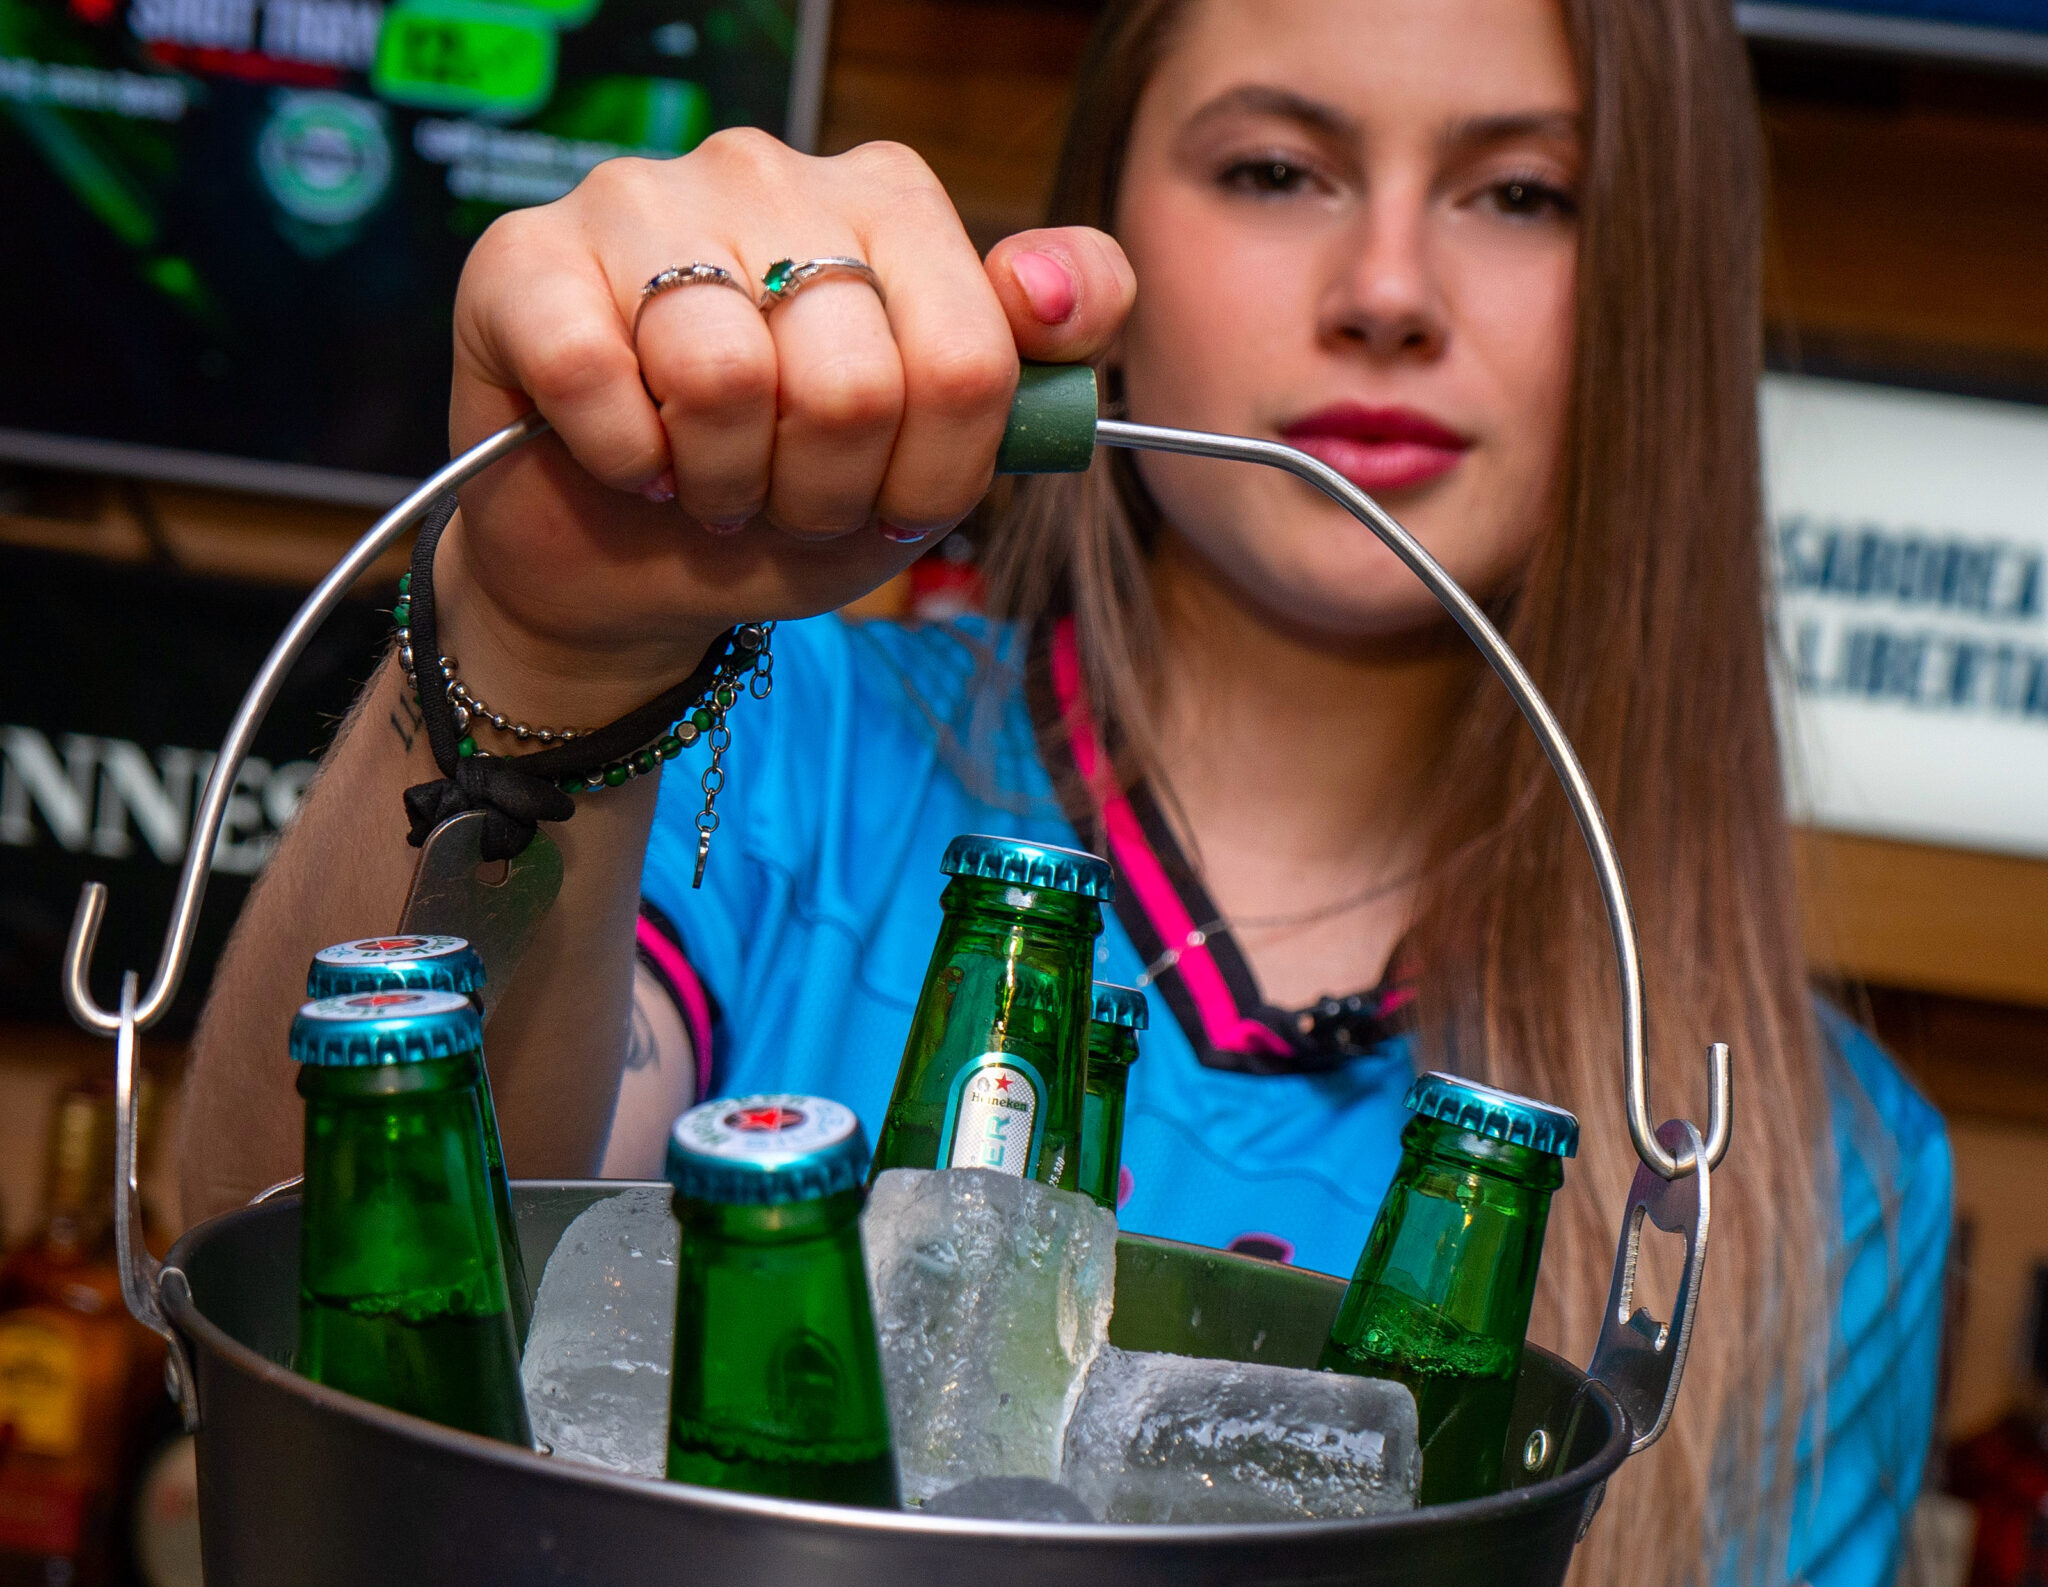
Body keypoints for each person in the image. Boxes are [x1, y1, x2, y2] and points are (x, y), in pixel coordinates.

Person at [178, 1, 1950, 1583]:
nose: (1388, 291)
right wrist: (551, 649)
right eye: (1274, 168)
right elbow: (293, 1308)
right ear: (1100, 250)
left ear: (1662, 297)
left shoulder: (1826, 1172)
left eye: (1523, 193)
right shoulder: (753, 729)